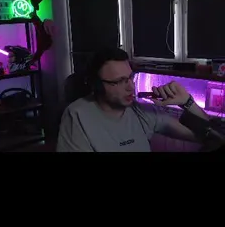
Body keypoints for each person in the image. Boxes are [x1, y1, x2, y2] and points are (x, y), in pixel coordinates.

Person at [57, 46, 211, 152]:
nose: (131, 87)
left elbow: (206, 135)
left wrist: (187, 102)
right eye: (120, 81)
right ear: (97, 85)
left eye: (130, 77)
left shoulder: (141, 112)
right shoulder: (77, 115)